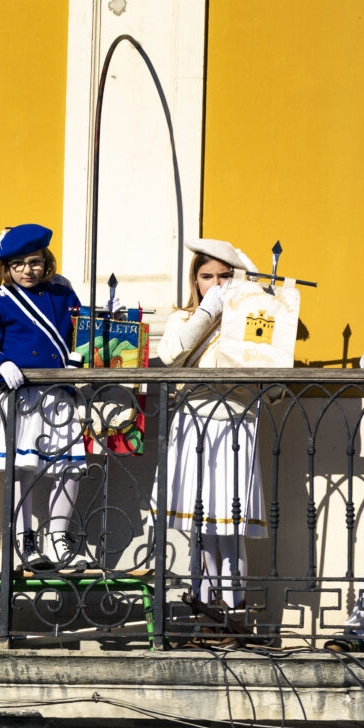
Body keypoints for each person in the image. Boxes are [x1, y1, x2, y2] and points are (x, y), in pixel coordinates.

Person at [148, 237, 266, 645]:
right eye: (206, 276)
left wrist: (249, 297)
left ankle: (233, 615)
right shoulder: (184, 318)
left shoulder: (254, 318)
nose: (215, 283)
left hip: (235, 424)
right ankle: (205, 615)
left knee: (229, 530)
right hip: (193, 425)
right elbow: (172, 355)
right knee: (200, 528)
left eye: (224, 276)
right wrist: (207, 311)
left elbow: (269, 369)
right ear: (194, 280)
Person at [0, 223, 89, 572]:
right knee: (22, 471)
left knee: (70, 468)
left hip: (58, 395)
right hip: (19, 397)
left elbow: (82, 334)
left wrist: (77, 359)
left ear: (46, 262)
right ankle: (26, 541)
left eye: (35, 262)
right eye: (18, 264)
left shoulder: (63, 296)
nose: (27, 270)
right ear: (6, 268)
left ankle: (59, 538)